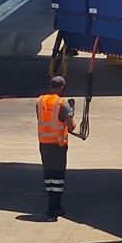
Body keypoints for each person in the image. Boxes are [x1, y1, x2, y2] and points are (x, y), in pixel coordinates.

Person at [36, 75, 76, 221]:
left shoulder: (40, 101)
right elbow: (71, 127)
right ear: (62, 88)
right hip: (58, 145)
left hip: (44, 144)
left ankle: (54, 204)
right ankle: (53, 207)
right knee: (58, 177)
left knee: (49, 175)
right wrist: (71, 117)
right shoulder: (62, 104)